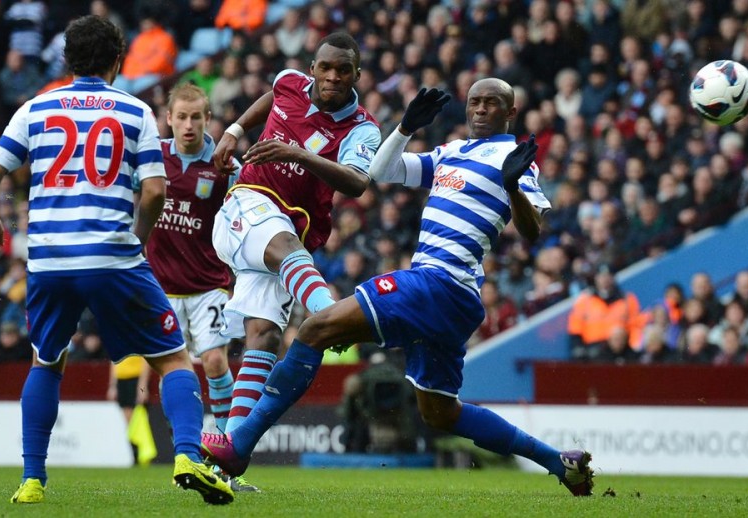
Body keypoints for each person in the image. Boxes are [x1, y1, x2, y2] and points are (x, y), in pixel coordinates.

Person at [202, 79, 595, 496]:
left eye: (492, 103)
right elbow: (385, 171)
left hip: (435, 282)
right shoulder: (452, 152)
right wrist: (405, 128)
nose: (480, 109)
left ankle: (239, 446)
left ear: (509, 112)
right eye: (475, 102)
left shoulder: (514, 159)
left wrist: (513, 186)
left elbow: (533, 229)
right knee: (441, 412)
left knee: (315, 329)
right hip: (454, 298)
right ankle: (558, 461)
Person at [0, 15, 233, 505]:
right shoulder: (134, 111)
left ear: (68, 60)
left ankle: (32, 480)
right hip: (111, 255)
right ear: (118, 62)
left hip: (48, 259)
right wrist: (137, 237)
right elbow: (155, 191)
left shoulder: (36, 107)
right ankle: (186, 456)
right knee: (175, 357)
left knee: (46, 362)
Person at [209, 32, 380, 450]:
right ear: (312, 70)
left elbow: (358, 183)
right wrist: (233, 129)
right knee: (286, 246)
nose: (333, 77)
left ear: (357, 75)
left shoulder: (363, 130)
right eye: (326, 67)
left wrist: (300, 155)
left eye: (344, 70)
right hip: (247, 207)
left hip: (287, 238)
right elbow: (272, 96)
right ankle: (333, 315)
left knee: (265, 336)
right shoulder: (288, 82)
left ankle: (229, 455)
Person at [143, 83, 256, 492]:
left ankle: (224, 455)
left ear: (209, 120)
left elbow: (249, 211)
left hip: (209, 284)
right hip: (160, 287)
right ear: (168, 118)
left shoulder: (226, 164)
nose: (188, 126)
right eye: (181, 117)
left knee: (212, 363)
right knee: (171, 369)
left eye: (197, 117)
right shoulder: (152, 155)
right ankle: (186, 453)